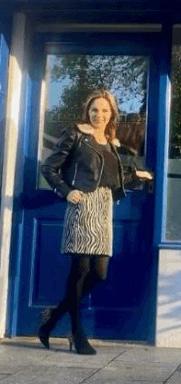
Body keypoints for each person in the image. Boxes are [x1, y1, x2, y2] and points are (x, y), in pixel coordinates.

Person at [38, 89, 152, 355]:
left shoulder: (111, 142)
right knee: (80, 271)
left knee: (99, 274)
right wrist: (66, 191)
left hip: (103, 206)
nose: (99, 115)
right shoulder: (76, 135)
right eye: (94, 110)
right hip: (82, 204)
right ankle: (77, 333)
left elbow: (112, 176)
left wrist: (139, 175)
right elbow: (49, 167)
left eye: (104, 110)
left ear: (111, 114)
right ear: (87, 111)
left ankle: (52, 319)